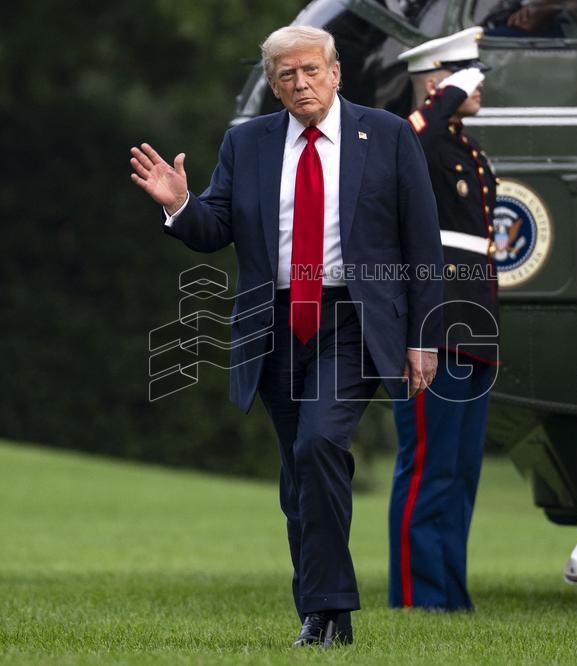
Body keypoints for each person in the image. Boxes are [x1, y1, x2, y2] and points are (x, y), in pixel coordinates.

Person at [130, 26, 444, 648]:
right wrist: (179, 205)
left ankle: (330, 611)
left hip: (352, 322)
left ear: (335, 72)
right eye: (286, 76)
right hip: (272, 326)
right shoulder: (246, 143)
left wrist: (424, 338)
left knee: (319, 446)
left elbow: (422, 243)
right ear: (274, 87)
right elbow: (215, 226)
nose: (300, 84)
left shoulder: (385, 136)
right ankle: (323, 615)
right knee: (299, 476)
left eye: (310, 70)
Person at [389, 27, 500, 612]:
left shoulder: (462, 147)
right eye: (467, 75)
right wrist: (445, 95)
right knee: (429, 466)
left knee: (459, 472)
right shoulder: (419, 137)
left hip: (473, 321)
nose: (479, 85)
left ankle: (449, 596)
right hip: (435, 325)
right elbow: (415, 131)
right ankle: (415, 597)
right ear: (438, 83)